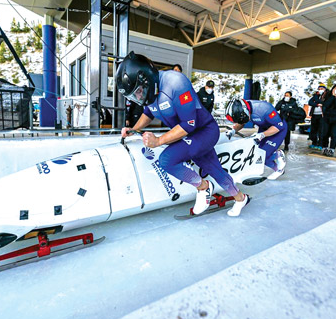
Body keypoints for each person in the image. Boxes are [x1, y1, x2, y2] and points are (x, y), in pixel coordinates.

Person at [118, 52, 249, 217]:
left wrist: (158, 141)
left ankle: (203, 187)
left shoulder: (176, 83)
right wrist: (134, 129)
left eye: (138, 91)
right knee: (215, 170)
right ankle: (240, 198)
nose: (138, 96)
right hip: (190, 136)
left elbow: (189, 124)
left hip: (204, 131)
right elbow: (149, 112)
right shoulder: (149, 92)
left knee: (167, 159)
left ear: (146, 79)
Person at [225, 99, 287, 180]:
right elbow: (241, 122)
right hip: (264, 128)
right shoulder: (244, 109)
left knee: (264, 153)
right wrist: (233, 131)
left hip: (277, 129)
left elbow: (279, 126)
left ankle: (278, 154)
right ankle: (279, 170)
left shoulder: (264, 109)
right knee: (259, 155)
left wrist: (262, 134)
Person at [307, 83, 327, 150]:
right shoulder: (316, 95)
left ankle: (320, 144)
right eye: (319, 89)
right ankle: (314, 143)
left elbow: (324, 103)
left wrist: (318, 102)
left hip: (321, 115)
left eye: (322, 89)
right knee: (313, 130)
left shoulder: (326, 96)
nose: (320, 90)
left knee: (321, 130)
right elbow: (310, 102)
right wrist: (317, 104)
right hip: (314, 114)